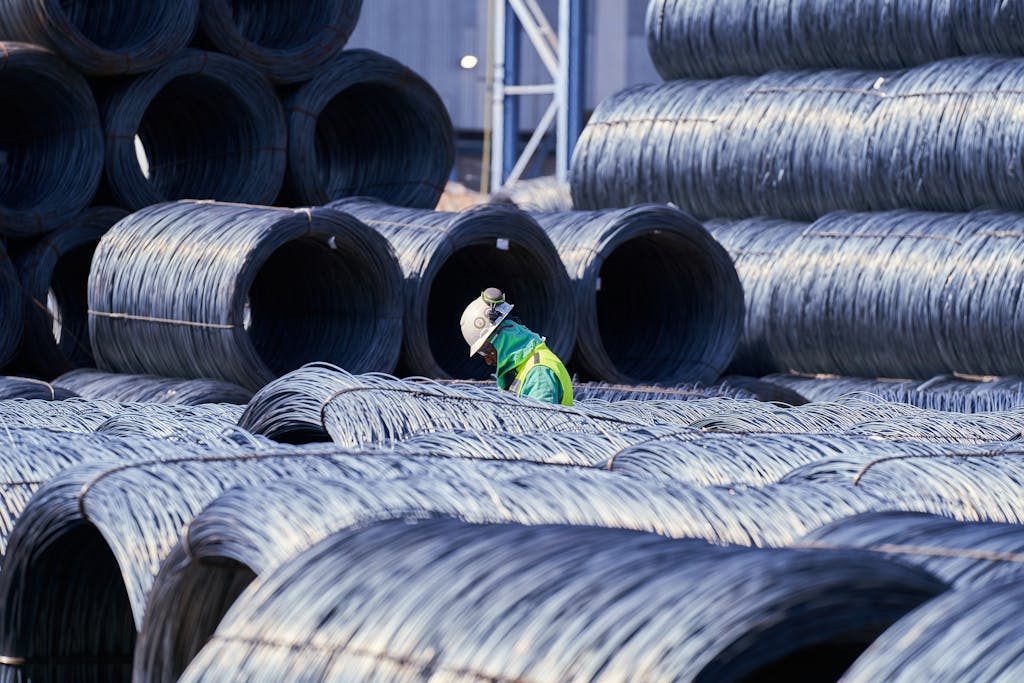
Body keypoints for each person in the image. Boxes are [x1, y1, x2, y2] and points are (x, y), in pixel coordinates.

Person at [460, 287, 573, 406]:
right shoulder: (520, 367)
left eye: (485, 350)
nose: (487, 360)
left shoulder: (539, 373)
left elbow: (541, 422)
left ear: (501, 338)